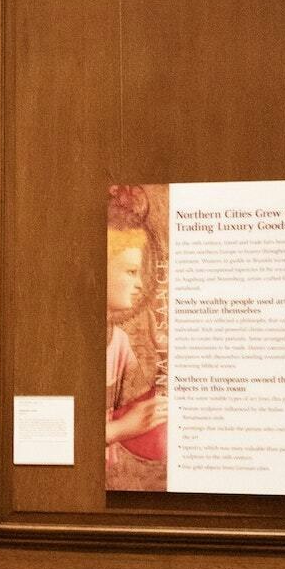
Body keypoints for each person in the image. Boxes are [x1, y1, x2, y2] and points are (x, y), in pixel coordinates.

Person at [106, 184, 166, 475]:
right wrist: (120, 429)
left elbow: (140, 401)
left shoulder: (118, 341)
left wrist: (163, 350)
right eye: (131, 271)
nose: (140, 284)